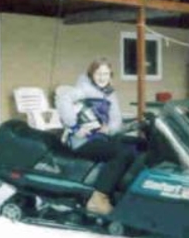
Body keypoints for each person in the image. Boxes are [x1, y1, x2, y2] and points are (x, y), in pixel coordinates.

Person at [56, 58, 136, 215]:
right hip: (83, 141)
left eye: (105, 74)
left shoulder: (109, 93)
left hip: (101, 137)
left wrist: (110, 128)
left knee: (136, 146)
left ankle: (123, 194)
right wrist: (74, 127)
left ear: (110, 75)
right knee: (123, 153)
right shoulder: (84, 89)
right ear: (91, 74)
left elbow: (116, 118)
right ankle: (98, 199)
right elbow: (63, 99)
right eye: (98, 73)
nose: (102, 77)